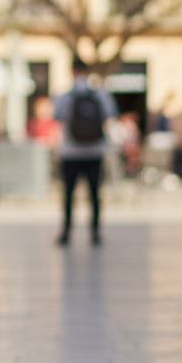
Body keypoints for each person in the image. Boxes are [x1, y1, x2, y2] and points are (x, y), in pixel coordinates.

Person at [54, 58, 118, 246]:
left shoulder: (65, 95)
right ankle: (95, 232)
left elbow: (57, 116)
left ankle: (66, 232)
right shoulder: (100, 95)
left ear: (72, 71)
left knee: (68, 194)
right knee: (95, 193)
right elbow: (111, 114)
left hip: (70, 152)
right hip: (95, 151)